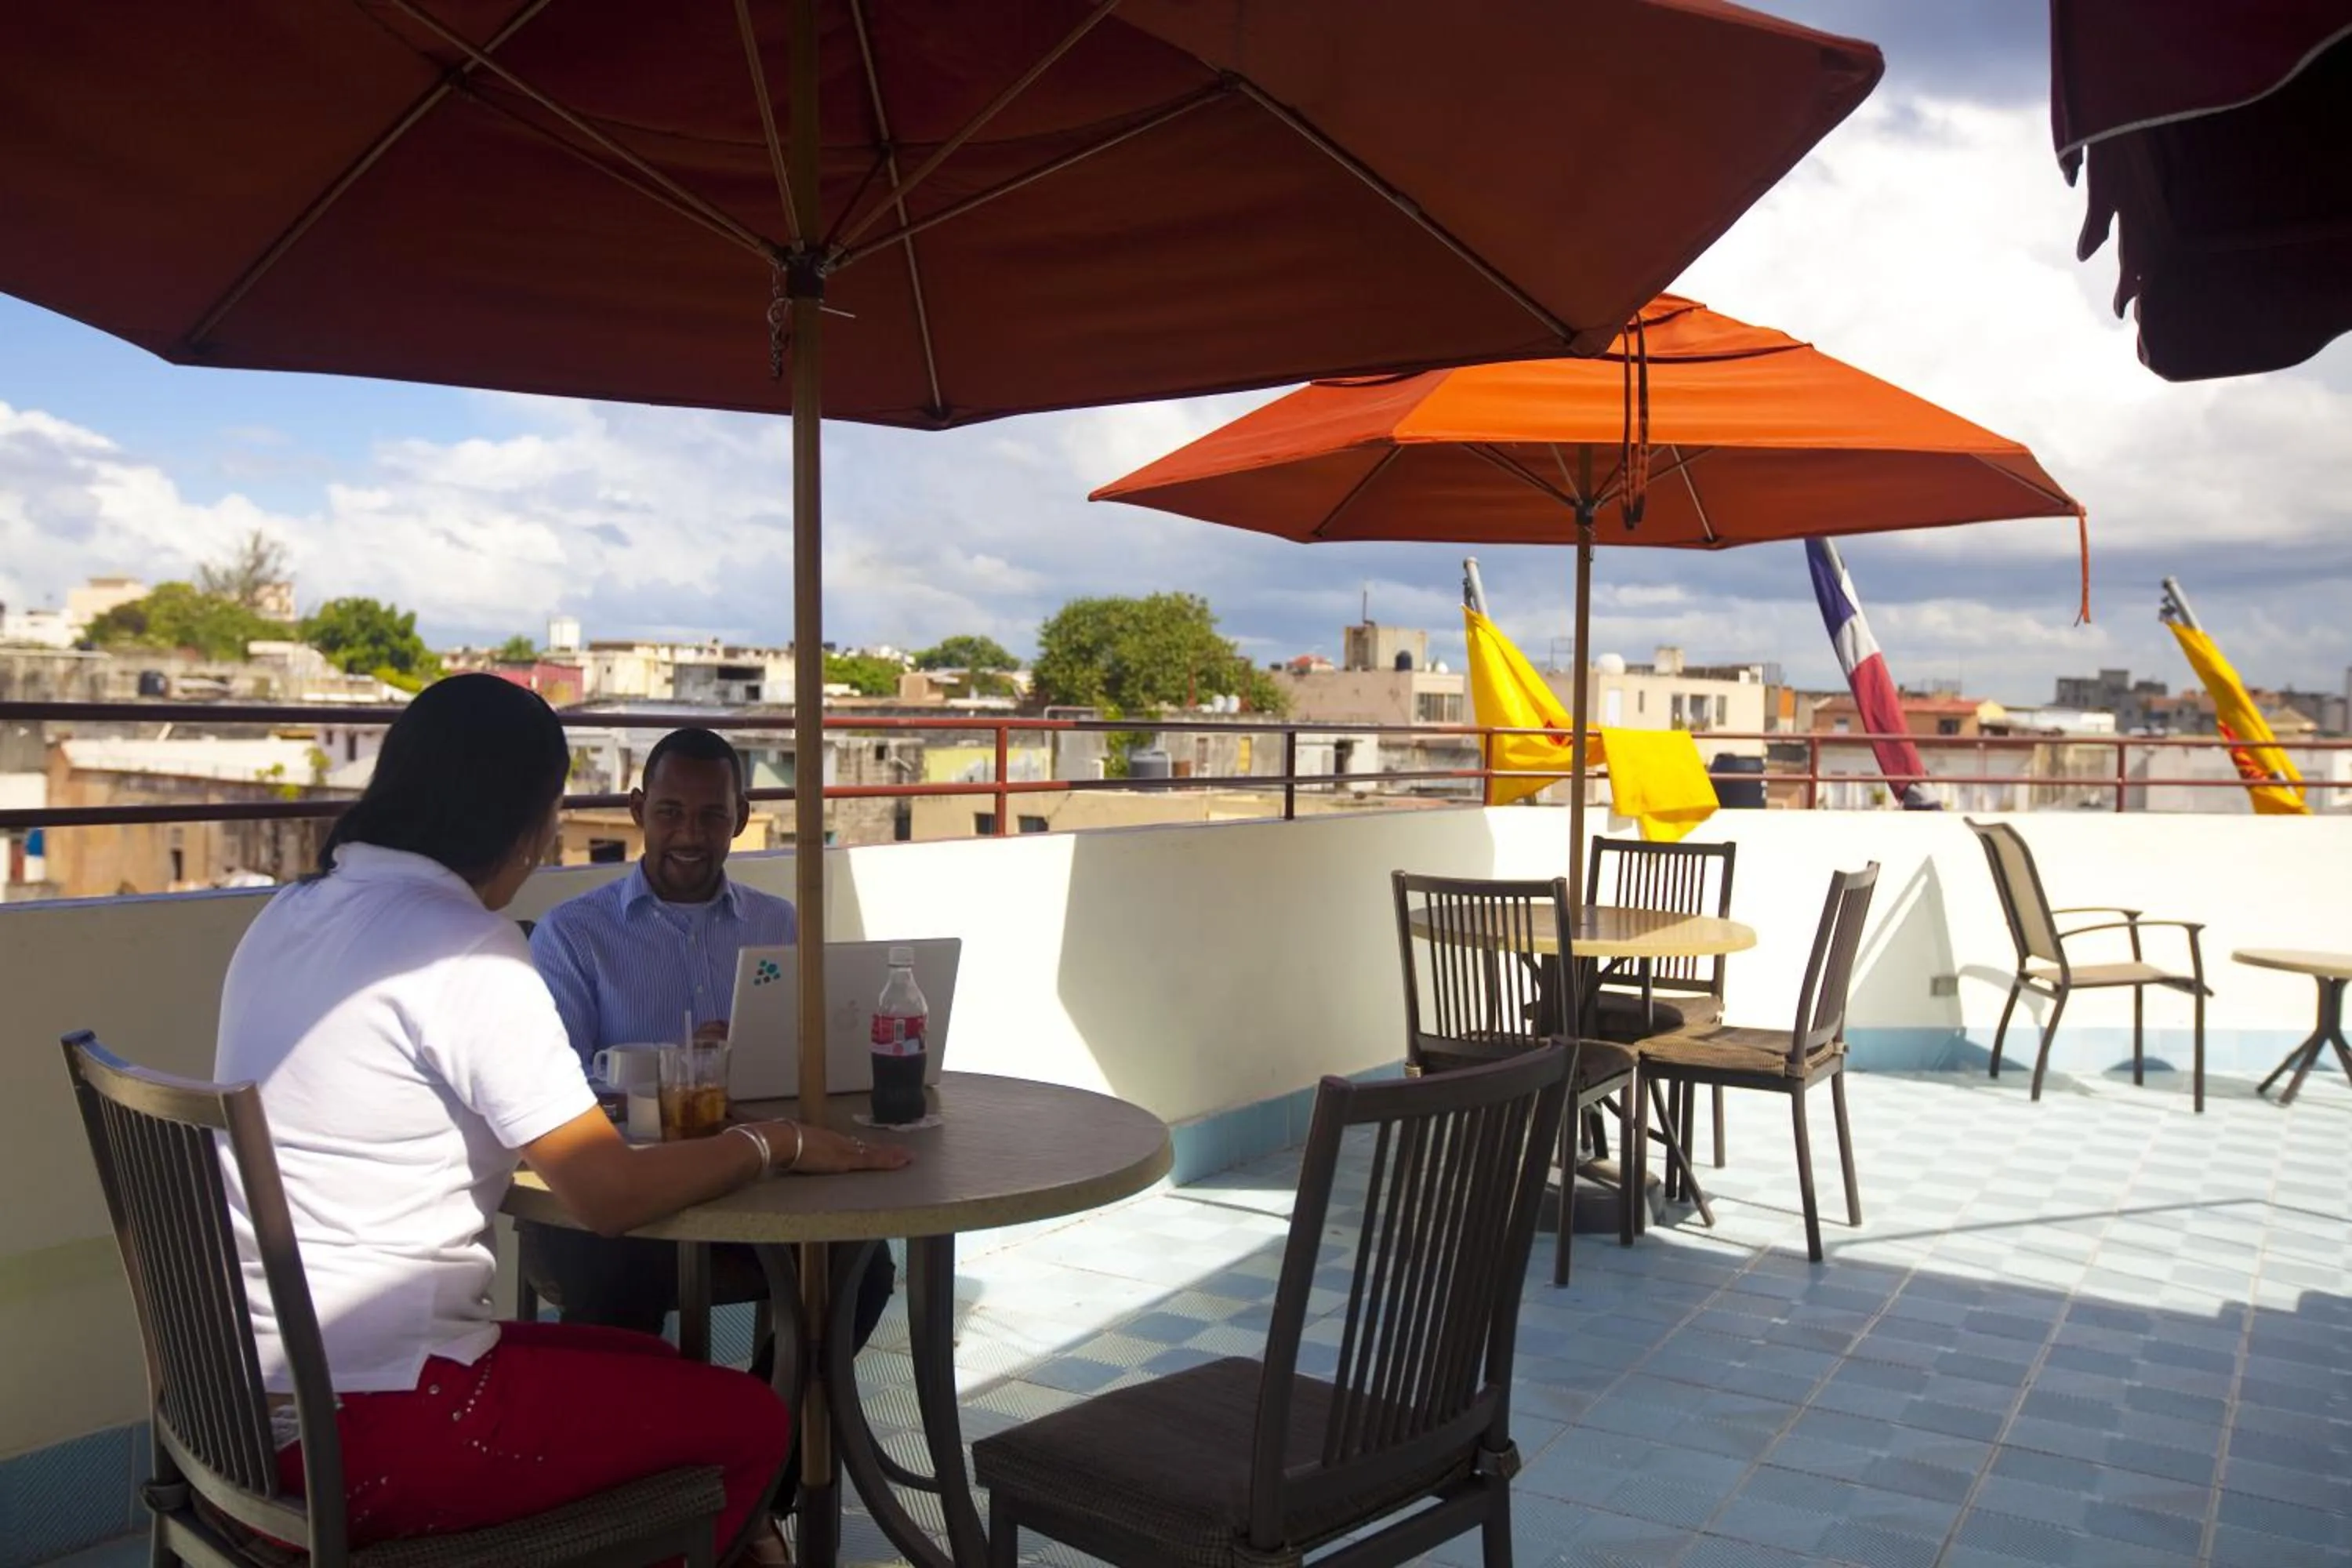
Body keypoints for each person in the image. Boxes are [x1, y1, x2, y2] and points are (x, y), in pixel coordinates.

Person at [216, 677, 909, 1564]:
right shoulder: (464, 949)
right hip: (377, 1424)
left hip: (244, 1405)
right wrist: (774, 1142)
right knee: (749, 1422)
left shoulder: (288, 913)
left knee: (667, 1373)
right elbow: (608, 1195)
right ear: (522, 817)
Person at [526, 728, 898, 1434]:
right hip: (624, 1189)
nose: (690, 835)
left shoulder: (780, 924)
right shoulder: (573, 933)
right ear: (638, 810)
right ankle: (646, 1475)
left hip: (752, 1182)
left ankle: (755, 1456)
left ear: (742, 818)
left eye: (712, 816)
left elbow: (814, 1059)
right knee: (616, 1281)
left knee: (862, 1268)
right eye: (670, 812)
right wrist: (678, 1070)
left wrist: (767, 1058)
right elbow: (556, 1087)